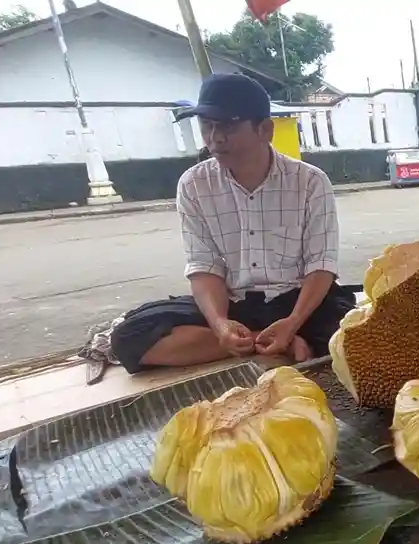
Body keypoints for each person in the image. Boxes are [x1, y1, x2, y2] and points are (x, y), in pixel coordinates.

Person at [110, 73, 355, 374]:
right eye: (207, 126)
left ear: (265, 129)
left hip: (301, 303)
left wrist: (293, 322)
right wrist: (220, 323)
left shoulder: (311, 182)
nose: (215, 138)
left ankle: (284, 336)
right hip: (236, 305)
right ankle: (258, 341)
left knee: (354, 339)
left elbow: (321, 266)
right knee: (128, 337)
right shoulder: (193, 185)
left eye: (227, 125)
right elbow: (204, 266)